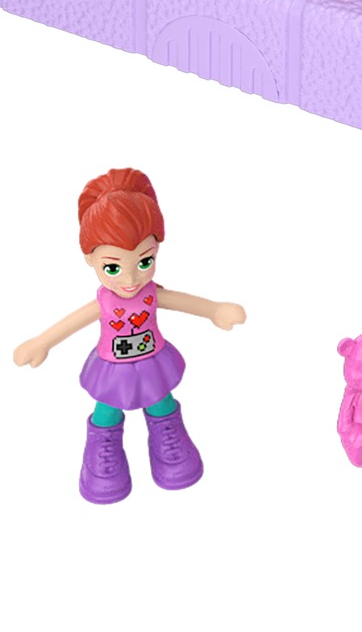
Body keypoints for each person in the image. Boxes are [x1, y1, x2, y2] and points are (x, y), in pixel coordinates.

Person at [14, 168, 246, 503]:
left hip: (153, 360)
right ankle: (103, 451)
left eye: (144, 261)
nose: (130, 279)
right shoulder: (104, 301)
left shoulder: (151, 293)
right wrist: (43, 342)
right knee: (107, 408)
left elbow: (179, 301)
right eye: (113, 267)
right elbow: (74, 321)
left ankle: (168, 439)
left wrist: (214, 310)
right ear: (90, 259)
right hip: (113, 367)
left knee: (161, 400)